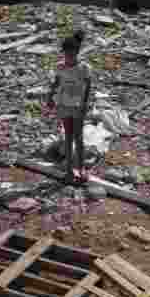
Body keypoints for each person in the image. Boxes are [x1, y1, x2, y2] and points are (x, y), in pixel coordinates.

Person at [46, 29, 93, 183]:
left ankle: (81, 169)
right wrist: (50, 96)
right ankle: (68, 171)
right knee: (68, 137)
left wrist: (85, 104)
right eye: (66, 54)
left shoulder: (84, 68)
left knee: (78, 138)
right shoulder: (60, 66)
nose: (68, 57)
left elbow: (88, 86)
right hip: (64, 104)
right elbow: (57, 82)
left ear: (77, 52)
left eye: (71, 54)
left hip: (77, 106)